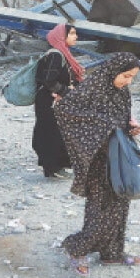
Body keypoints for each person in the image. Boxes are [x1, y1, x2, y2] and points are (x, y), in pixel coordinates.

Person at [54, 52, 140, 276]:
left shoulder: (122, 91)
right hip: (97, 160)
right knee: (100, 209)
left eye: (132, 77)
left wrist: (130, 127)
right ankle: (76, 249)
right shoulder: (92, 87)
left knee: (120, 205)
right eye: (125, 76)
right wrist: (103, 126)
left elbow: (121, 119)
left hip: (118, 157)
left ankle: (112, 253)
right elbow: (64, 110)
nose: (128, 81)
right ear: (114, 70)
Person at [33, 24, 84, 178]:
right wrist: (67, 91)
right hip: (49, 101)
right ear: (62, 36)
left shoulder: (64, 54)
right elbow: (49, 81)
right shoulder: (56, 55)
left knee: (60, 132)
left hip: (56, 100)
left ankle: (58, 166)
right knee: (51, 133)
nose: (76, 37)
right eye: (72, 33)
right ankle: (52, 168)